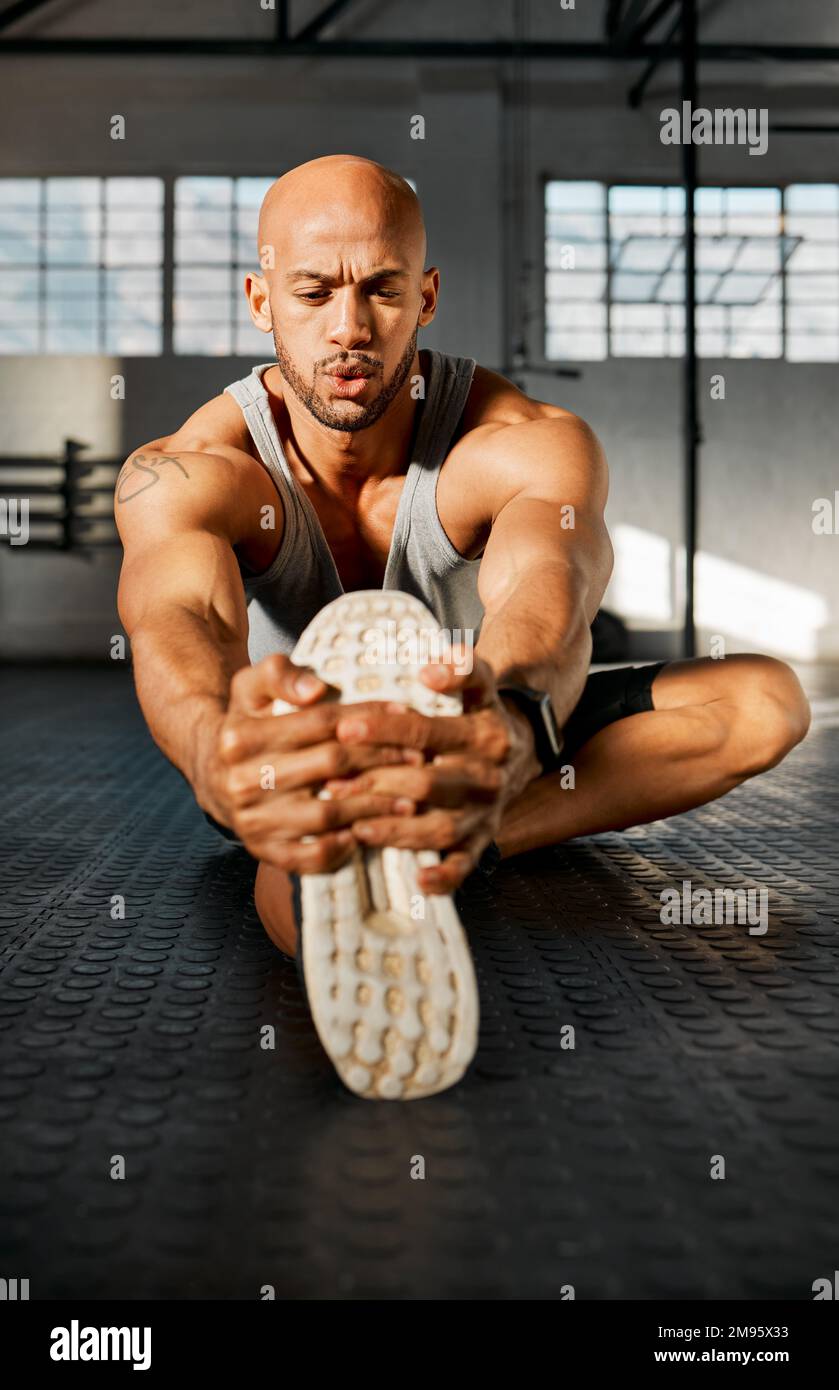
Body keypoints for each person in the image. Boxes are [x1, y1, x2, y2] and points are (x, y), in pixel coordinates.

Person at [115, 152, 810, 1027]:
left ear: (426, 297)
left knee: (764, 701)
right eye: (313, 292)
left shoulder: (521, 442)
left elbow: (546, 594)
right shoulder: (190, 471)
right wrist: (216, 748)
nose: (349, 327)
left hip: (476, 726)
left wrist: (511, 722)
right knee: (304, 869)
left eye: (381, 288)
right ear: (261, 303)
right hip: (303, 754)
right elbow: (178, 618)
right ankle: (371, 846)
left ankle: (455, 835)